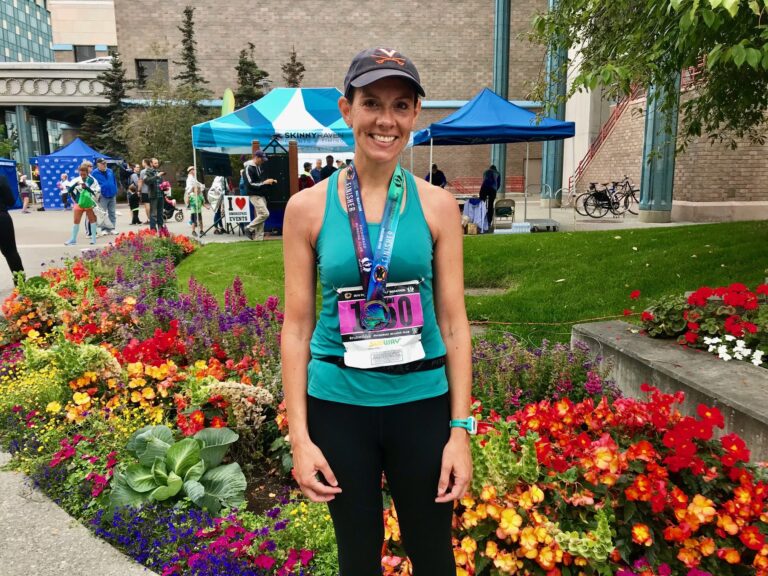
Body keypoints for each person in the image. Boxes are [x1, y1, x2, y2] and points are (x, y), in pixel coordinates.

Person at [281, 47, 472, 575]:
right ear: (347, 109)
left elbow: (455, 325)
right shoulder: (306, 209)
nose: (386, 120)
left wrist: (461, 432)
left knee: (434, 554)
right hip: (339, 408)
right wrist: (300, 438)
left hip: (422, 404)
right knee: (357, 557)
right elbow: (295, 329)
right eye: (372, 103)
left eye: (401, 105)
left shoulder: (437, 205)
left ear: (414, 115)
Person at [64, 162, 100, 246]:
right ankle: (73, 239)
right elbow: (69, 190)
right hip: (78, 203)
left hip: (88, 202)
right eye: (81, 173)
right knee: (76, 221)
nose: (82, 175)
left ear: (87, 172)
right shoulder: (76, 179)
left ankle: (93, 239)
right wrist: (74, 197)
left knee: (92, 220)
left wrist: (87, 189)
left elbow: (96, 190)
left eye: (84, 174)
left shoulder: (92, 180)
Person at [243, 150, 277, 241]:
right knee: (265, 214)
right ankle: (249, 228)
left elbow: (260, 182)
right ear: (256, 157)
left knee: (261, 216)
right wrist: (264, 183)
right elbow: (250, 184)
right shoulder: (248, 168)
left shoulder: (258, 167)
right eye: (262, 159)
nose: (263, 161)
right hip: (254, 195)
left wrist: (269, 181)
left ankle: (258, 239)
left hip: (261, 194)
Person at [0, 173, 24, 283]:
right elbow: (10, 201)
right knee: (10, 252)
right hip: (1, 216)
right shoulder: (1, 178)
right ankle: (21, 284)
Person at [92, 158, 118, 235]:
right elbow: (93, 185)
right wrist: (98, 194)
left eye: (105, 163)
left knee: (112, 212)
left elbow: (114, 181)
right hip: (102, 195)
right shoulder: (94, 173)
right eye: (102, 163)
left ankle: (112, 228)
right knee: (103, 213)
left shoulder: (110, 171)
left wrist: (115, 190)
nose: (104, 165)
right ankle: (104, 229)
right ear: (98, 164)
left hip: (112, 194)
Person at [144, 157, 166, 233]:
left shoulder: (158, 171)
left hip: (161, 195)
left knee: (160, 213)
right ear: (151, 164)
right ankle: (153, 230)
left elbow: (161, 182)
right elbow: (147, 181)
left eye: (157, 163)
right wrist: (157, 176)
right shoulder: (148, 172)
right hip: (153, 196)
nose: (157, 164)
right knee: (153, 214)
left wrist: (165, 187)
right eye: (155, 163)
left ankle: (161, 229)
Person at [479, 164, 500, 230]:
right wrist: (495, 190)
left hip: (484, 188)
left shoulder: (485, 172)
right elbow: (498, 184)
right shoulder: (498, 173)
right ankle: (489, 221)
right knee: (490, 206)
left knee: (481, 204)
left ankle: (480, 220)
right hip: (492, 190)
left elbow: (484, 180)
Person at [138, 159, 151, 224]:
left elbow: (140, 181)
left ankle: (149, 219)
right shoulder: (153, 170)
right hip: (152, 190)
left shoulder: (143, 171)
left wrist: (139, 190)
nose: (142, 164)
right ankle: (154, 218)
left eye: (142, 162)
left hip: (145, 191)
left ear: (145, 163)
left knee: (147, 205)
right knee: (152, 205)